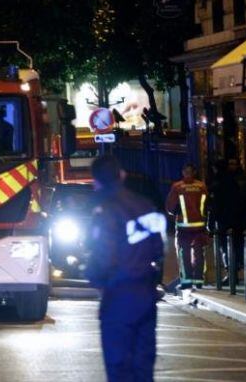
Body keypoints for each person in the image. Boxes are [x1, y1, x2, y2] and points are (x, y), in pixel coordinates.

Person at [86, 155, 166, 382]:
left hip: (118, 296)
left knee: (119, 368)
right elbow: (158, 249)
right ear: (122, 175)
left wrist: (94, 279)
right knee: (143, 367)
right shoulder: (146, 206)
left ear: (97, 181)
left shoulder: (105, 211)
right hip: (145, 296)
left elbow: (102, 257)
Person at [165, 163, 208, 290]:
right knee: (199, 253)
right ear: (194, 172)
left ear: (183, 172)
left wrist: (175, 213)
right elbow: (207, 205)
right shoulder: (201, 186)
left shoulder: (177, 187)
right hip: (199, 225)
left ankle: (187, 281)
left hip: (183, 226)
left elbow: (170, 207)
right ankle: (199, 280)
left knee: (184, 253)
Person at [208, 159, 241, 284]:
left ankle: (230, 275)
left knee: (225, 248)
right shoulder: (234, 181)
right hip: (236, 220)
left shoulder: (217, 184)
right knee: (234, 246)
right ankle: (235, 274)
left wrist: (210, 224)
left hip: (223, 220)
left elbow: (214, 206)